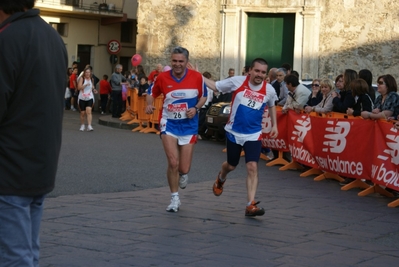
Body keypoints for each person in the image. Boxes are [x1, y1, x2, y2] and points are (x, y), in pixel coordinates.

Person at [0, 1, 68, 266]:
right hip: (41, 163)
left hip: (9, 166)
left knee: (14, 257)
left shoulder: (8, 39)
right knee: (27, 252)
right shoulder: (52, 36)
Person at [203, 58, 278, 217]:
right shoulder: (237, 81)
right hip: (234, 132)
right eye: (257, 71)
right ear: (250, 70)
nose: (259, 75)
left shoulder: (269, 89)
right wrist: (197, 75)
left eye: (263, 72)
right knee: (231, 165)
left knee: (252, 166)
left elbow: (271, 105)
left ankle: (250, 204)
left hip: (253, 134)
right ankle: (221, 178)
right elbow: (215, 86)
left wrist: (275, 125)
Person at [145, 46, 207, 212]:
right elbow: (151, 92)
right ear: (170, 61)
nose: (177, 64)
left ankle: (183, 174)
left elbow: (204, 96)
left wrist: (196, 108)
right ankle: (174, 198)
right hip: (169, 123)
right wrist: (150, 104)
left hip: (189, 125)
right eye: (174, 61)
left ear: (187, 62)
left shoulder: (197, 77)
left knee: (183, 168)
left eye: (181, 61)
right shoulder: (162, 77)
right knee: (173, 162)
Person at [77, 67, 98, 131]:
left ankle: (89, 126)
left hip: (90, 97)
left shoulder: (92, 79)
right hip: (82, 97)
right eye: (86, 72)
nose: (87, 74)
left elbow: (92, 86)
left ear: (90, 73)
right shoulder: (82, 79)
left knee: (89, 111)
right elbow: (79, 88)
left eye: (88, 72)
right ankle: (82, 125)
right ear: (84, 73)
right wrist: (85, 85)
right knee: (82, 113)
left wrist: (94, 90)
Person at [198, 71, 214, 139]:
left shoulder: (209, 87)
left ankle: (202, 132)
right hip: (204, 105)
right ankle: (198, 133)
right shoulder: (203, 86)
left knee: (205, 120)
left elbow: (211, 96)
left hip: (208, 105)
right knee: (201, 120)